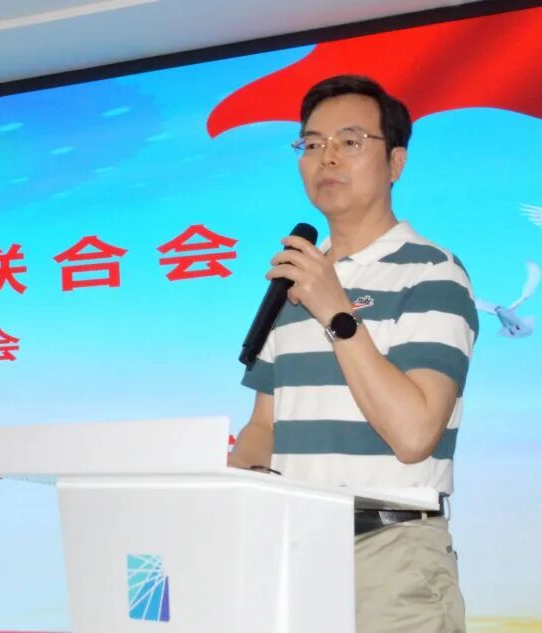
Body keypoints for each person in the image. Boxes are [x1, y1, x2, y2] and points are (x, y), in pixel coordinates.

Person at [228, 74, 478, 633]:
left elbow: (414, 435)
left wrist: (338, 314)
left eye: (350, 141)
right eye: (311, 143)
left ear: (395, 163)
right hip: (292, 555)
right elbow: (265, 427)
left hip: (390, 558)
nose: (327, 157)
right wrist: (221, 480)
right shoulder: (295, 283)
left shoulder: (433, 273)